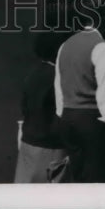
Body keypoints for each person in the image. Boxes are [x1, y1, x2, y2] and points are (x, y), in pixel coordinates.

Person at [54, 0, 105, 183]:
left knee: (78, 179)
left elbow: (59, 88)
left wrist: (64, 115)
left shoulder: (65, 46)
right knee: (98, 179)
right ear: (104, 17)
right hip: (91, 121)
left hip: (68, 118)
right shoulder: (102, 47)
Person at [13, 32, 68, 183]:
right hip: (51, 146)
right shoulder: (59, 77)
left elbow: (25, 108)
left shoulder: (32, 75)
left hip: (28, 142)